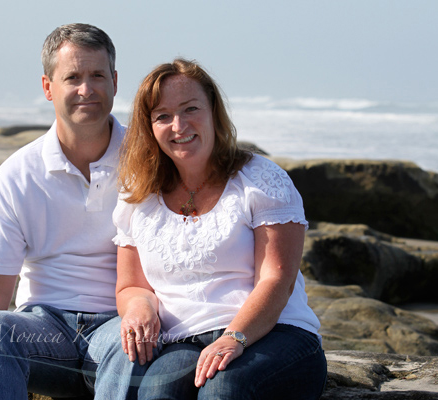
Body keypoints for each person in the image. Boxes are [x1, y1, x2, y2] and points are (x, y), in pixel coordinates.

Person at [0, 23, 148, 399]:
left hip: (119, 325)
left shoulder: (148, 160)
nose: (86, 89)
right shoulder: (17, 174)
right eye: (72, 77)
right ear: (48, 87)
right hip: (43, 328)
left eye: (97, 75)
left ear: (115, 82)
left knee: (135, 344)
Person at [113, 58, 328, 400]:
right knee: (155, 393)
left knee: (223, 390)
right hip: (183, 342)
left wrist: (234, 338)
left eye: (190, 109)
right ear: (149, 127)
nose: (179, 125)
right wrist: (139, 308)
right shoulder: (138, 197)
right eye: (162, 116)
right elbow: (131, 285)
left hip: (273, 335)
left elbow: (277, 279)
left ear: (214, 111)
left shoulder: (260, 180)